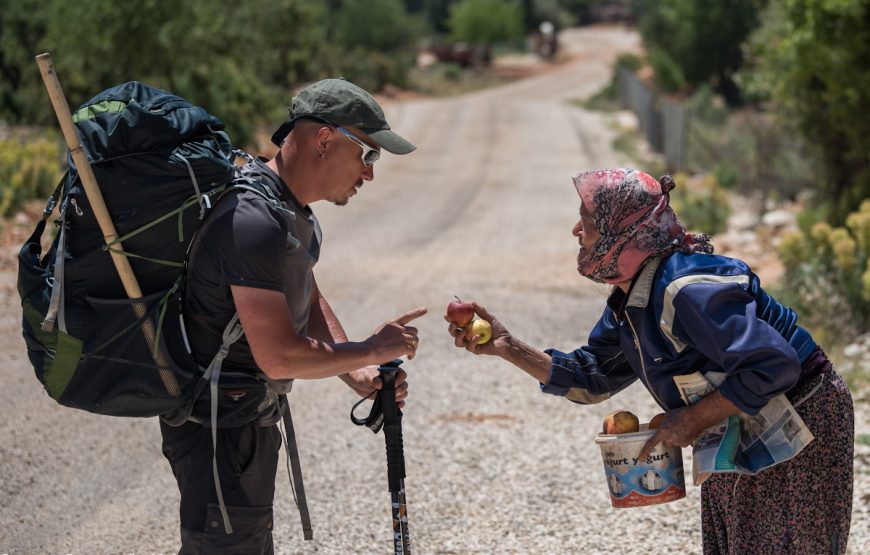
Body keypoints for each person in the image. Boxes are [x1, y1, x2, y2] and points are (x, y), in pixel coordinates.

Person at [446, 168, 854, 554]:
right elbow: (592, 378)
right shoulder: (631, 302)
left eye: (586, 220)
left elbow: (774, 366)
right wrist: (507, 345)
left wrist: (694, 419)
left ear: (622, 232)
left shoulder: (686, 289)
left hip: (803, 415)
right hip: (738, 419)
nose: (576, 230)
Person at [160, 78, 427, 554]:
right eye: (368, 156)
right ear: (325, 140)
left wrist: (359, 370)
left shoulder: (288, 210)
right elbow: (279, 357)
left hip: (244, 422)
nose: (369, 175)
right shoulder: (253, 217)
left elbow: (304, 293)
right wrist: (372, 348)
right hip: (219, 431)